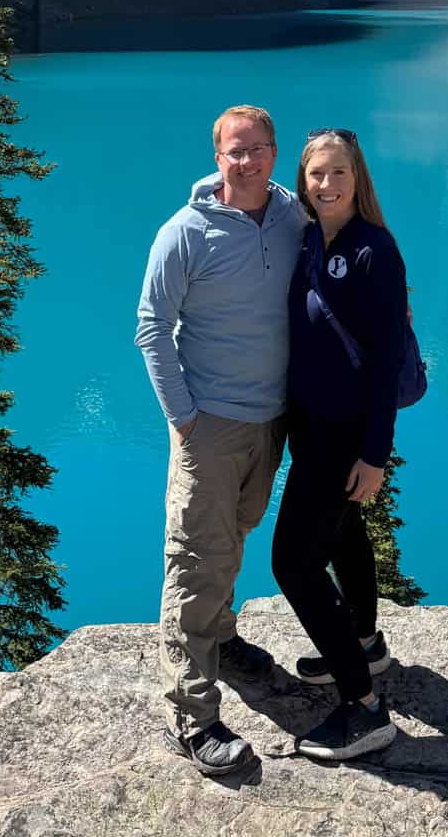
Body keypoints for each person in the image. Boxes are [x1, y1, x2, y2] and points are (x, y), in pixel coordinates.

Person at [135, 104, 308, 777]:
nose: (248, 160)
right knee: (194, 560)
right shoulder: (185, 233)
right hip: (210, 424)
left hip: (270, 421)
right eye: (236, 151)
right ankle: (192, 715)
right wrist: (185, 417)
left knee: (232, 537)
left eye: (259, 148)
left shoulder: (293, 218)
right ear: (218, 158)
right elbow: (152, 326)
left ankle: (222, 639)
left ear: (273, 151)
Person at [272, 127, 410, 762]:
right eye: (315, 175)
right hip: (308, 422)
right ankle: (364, 641)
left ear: (359, 180)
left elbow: (383, 364)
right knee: (343, 532)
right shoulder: (306, 238)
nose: (325, 185)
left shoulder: (373, 252)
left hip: (343, 431)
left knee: (292, 562)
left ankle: (362, 705)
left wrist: (375, 454)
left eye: (338, 174)